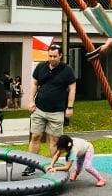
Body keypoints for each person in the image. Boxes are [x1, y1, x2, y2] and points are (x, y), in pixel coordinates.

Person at [26, 42, 76, 177]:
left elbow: (72, 88)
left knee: (54, 140)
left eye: (55, 56)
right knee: (35, 136)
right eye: (50, 56)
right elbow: (34, 84)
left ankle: (52, 166)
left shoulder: (67, 70)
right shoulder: (41, 67)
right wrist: (30, 101)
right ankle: (31, 165)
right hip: (39, 108)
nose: (52, 59)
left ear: (60, 56)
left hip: (57, 111)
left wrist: (69, 107)